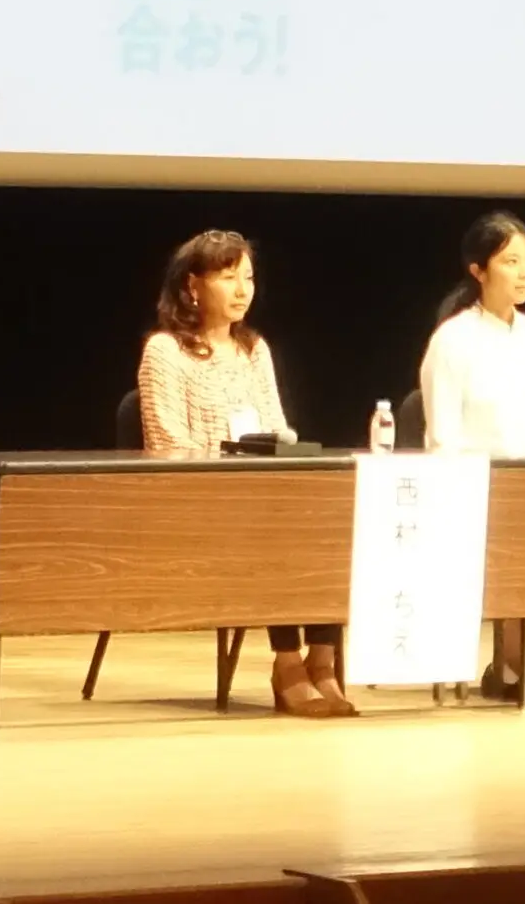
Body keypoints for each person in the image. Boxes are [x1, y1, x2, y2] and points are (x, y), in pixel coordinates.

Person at [135, 230, 355, 718]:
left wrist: (278, 455)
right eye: (228, 277)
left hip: (262, 496)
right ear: (193, 286)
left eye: (249, 278)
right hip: (200, 503)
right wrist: (232, 469)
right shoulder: (165, 351)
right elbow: (166, 445)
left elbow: (279, 429)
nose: (242, 290)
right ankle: (287, 665)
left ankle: (322, 662)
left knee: (330, 520)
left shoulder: (254, 349)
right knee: (280, 529)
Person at [419, 211, 525, 701]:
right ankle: (514, 666)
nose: (524, 272)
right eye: (510, 261)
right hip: (475, 488)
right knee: (516, 545)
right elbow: (442, 435)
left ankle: (514, 663)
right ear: (478, 270)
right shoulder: (452, 339)